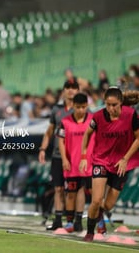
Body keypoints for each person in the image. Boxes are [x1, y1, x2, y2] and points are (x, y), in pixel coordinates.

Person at [80, 87, 139, 242]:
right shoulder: (98, 117)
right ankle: (90, 231)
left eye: (115, 105)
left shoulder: (131, 115)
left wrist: (125, 159)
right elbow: (87, 134)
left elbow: (138, 138)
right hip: (101, 160)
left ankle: (100, 214)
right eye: (108, 105)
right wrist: (84, 156)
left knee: (108, 205)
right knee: (96, 200)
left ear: (121, 103)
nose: (111, 108)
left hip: (121, 163)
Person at [38, 80, 79, 230]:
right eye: (68, 87)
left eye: (74, 88)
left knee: (73, 190)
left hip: (74, 156)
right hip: (57, 155)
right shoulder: (57, 110)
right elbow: (49, 132)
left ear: (78, 90)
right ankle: (58, 220)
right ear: (64, 90)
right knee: (58, 189)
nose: (71, 90)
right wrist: (42, 149)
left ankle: (72, 220)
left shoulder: (81, 109)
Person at [58, 93, 93, 233]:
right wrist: (64, 159)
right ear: (73, 106)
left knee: (81, 192)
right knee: (70, 193)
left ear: (87, 106)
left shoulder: (92, 120)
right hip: (71, 163)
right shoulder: (65, 122)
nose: (80, 110)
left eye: (83, 107)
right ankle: (69, 222)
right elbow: (60, 141)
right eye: (78, 107)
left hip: (87, 164)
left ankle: (79, 221)